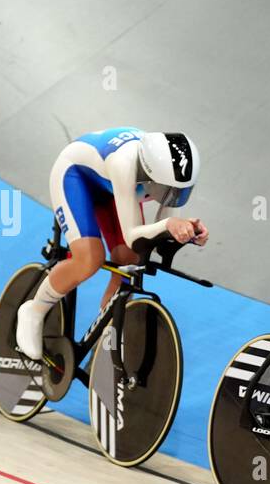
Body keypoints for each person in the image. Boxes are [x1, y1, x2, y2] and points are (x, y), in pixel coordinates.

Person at [15, 127, 209, 360]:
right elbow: (134, 236)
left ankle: (108, 334)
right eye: (169, 190)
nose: (172, 197)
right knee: (89, 259)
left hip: (113, 189)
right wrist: (169, 225)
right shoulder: (124, 163)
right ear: (150, 174)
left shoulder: (169, 177)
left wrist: (186, 232)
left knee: (129, 263)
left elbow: (158, 235)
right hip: (75, 177)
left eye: (179, 192)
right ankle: (33, 311)